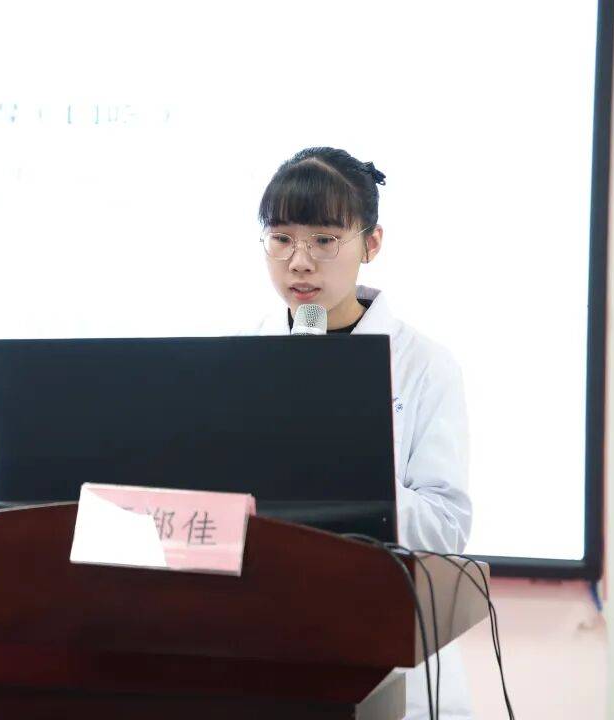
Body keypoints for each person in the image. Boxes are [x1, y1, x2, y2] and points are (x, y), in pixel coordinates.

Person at [250, 147, 474, 720]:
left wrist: (345, 482)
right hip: (268, 646)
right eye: (281, 239)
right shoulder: (240, 358)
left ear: (371, 244)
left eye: (324, 240)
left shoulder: (424, 365)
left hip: (390, 651)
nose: (299, 262)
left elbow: (446, 525)